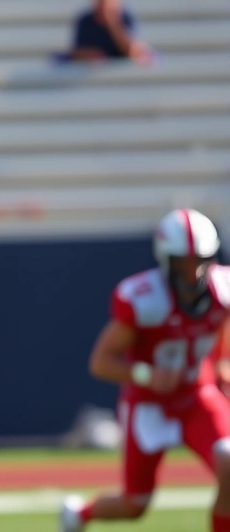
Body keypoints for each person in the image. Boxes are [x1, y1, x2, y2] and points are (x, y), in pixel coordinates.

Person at [61, 209, 230, 532]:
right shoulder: (145, 298)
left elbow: (224, 324)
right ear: (166, 259)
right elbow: (101, 362)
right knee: (134, 504)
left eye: (200, 260)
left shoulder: (223, 289)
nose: (193, 271)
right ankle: (80, 514)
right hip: (149, 404)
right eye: (184, 261)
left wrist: (222, 361)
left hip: (198, 396)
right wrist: (148, 376)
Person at [69, 0, 152, 65]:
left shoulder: (126, 17)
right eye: (101, 1)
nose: (105, 6)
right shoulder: (85, 21)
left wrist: (113, 24)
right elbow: (75, 53)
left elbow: (133, 51)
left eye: (109, 1)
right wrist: (89, 55)